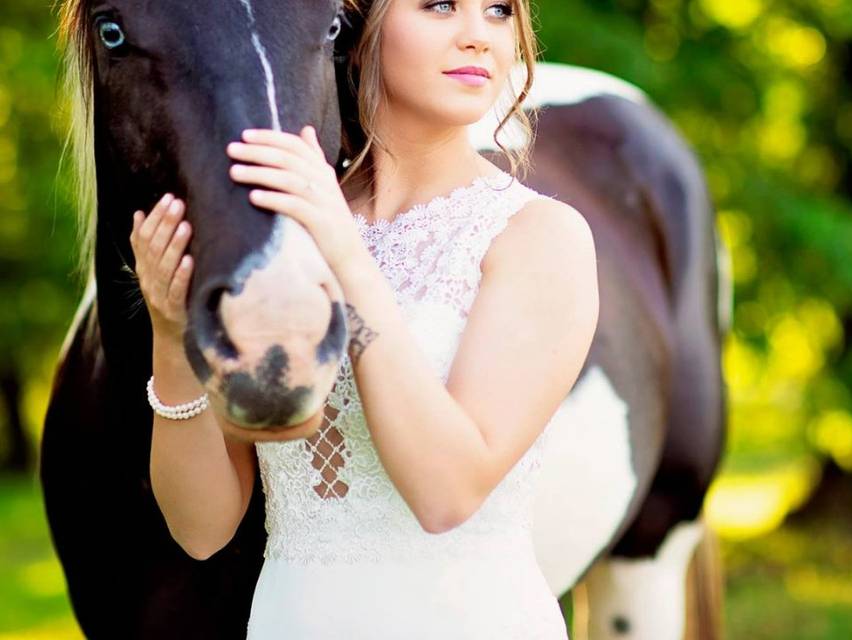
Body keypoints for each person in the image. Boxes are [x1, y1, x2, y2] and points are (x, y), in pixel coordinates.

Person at [133, 0, 599, 637]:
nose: (478, 37)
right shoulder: (283, 235)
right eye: (440, 6)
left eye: (497, 11)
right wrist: (171, 333)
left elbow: (447, 495)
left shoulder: (539, 237)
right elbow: (202, 530)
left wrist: (345, 253)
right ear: (357, 30)